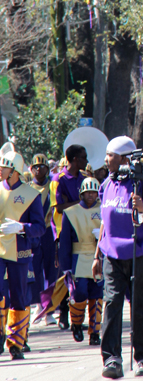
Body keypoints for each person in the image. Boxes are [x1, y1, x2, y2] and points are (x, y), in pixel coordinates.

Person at [92, 136, 143, 379]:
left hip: (140, 256)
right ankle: (112, 359)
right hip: (111, 257)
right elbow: (105, 222)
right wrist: (97, 256)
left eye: (111, 155)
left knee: (141, 307)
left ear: (125, 158)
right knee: (112, 305)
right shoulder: (106, 184)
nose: (106, 159)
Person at [0, 150, 45, 359]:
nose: (0, 169)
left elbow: (40, 227)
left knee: (18, 296)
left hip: (20, 251)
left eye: (5, 166)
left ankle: (16, 343)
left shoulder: (31, 195)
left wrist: (22, 227)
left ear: (15, 171)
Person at [58, 176, 103, 345]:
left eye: (93, 192)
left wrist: (103, 236)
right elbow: (65, 242)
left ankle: (95, 332)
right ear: (81, 194)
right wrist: (66, 266)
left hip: (97, 256)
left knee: (97, 295)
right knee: (79, 293)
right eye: (87, 193)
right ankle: (76, 323)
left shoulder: (103, 209)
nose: (90, 196)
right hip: (78, 258)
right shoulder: (71, 212)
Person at [51, 143, 89, 330]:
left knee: (81, 275)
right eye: (83, 157)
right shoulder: (58, 179)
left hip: (83, 233)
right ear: (75, 159)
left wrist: (73, 203)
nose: (87, 161)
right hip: (63, 233)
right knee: (66, 274)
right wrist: (80, 202)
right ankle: (63, 314)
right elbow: (59, 207)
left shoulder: (84, 178)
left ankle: (78, 316)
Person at [29, 154, 58, 324]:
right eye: (36, 166)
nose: (39, 169)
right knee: (35, 269)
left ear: (47, 168)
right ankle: (38, 305)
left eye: (42, 166)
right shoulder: (28, 188)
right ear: (31, 169)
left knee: (51, 270)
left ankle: (49, 308)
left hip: (49, 231)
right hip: (33, 231)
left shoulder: (53, 186)